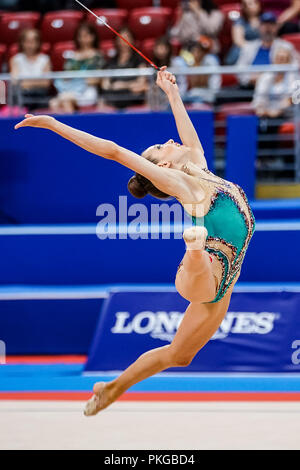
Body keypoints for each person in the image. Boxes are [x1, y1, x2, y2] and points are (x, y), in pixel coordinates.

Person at [14, 67, 256, 417]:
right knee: (201, 265)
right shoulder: (185, 186)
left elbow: (188, 138)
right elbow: (113, 151)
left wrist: (171, 91)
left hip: (223, 286)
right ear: (161, 166)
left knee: (180, 355)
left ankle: (112, 388)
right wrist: (54, 124)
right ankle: (194, 248)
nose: (170, 142)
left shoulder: (202, 170)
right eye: (162, 147)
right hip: (201, 276)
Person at [50, 23, 105, 114]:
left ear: (93, 37)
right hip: (71, 89)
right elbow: (66, 76)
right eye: (80, 36)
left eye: (86, 35)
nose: (83, 39)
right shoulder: (72, 57)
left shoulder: (98, 56)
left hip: (88, 90)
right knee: (53, 103)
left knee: (65, 100)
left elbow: (97, 79)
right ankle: (62, 127)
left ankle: (68, 127)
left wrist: (80, 81)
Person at [237, 11, 297, 88]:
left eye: (271, 24)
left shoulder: (286, 46)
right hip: (249, 87)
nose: (268, 28)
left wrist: (265, 79)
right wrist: (251, 79)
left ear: (277, 27)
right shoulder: (248, 47)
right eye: (264, 24)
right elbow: (239, 70)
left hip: (275, 88)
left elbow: (294, 70)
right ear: (259, 27)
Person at [102, 27, 149, 109]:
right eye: (120, 38)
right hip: (113, 99)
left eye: (126, 38)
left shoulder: (139, 60)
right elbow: (105, 85)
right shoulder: (111, 61)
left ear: (132, 40)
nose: (123, 41)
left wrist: (122, 85)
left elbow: (141, 84)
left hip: (133, 99)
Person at [10, 28, 51, 111]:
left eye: (33, 41)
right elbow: (15, 82)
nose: (30, 44)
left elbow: (46, 83)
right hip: (22, 97)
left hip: (41, 97)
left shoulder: (45, 59)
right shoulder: (15, 59)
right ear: (22, 43)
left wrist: (25, 82)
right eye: (27, 41)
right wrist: (37, 82)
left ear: (38, 43)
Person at [149, 37, 188, 109]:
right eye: (158, 48)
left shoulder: (178, 63)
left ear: (168, 49)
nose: (160, 51)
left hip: (178, 97)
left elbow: (183, 85)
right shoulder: (153, 66)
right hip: (160, 101)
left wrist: (174, 96)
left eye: (163, 48)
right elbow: (152, 86)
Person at [184, 36, 221, 104]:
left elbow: (214, 87)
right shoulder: (191, 62)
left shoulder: (210, 60)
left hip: (208, 96)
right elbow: (192, 85)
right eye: (195, 50)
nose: (196, 52)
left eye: (201, 50)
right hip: (194, 94)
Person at [226, 0, 261, 65]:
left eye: (250, 4)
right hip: (243, 50)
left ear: (258, 5)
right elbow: (238, 41)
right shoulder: (240, 21)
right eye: (245, 4)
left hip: (261, 50)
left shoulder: (265, 20)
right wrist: (253, 49)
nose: (248, 6)